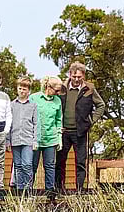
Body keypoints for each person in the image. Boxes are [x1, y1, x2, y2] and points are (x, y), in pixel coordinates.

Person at [55, 61, 106, 192]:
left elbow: (101, 105)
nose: (76, 79)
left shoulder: (89, 88)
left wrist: (91, 120)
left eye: (79, 77)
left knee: (81, 162)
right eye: (74, 76)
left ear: (83, 75)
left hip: (81, 131)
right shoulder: (61, 88)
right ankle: (59, 189)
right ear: (70, 75)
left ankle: (79, 189)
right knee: (60, 161)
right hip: (63, 131)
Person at [31, 77, 64, 195]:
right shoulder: (34, 98)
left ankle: (50, 193)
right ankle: (28, 192)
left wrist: (59, 138)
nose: (58, 93)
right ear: (48, 87)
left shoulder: (57, 101)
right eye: (56, 90)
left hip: (51, 139)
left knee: (50, 166)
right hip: (35, 139)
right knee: (32, 166)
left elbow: (58, 120)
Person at [8, 76, 37, 190]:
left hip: (28, 140)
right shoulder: (11, 105)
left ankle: (28, 188)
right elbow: (8, 124)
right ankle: (20, 190)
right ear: (17, 89)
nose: (22, 91)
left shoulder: (33, 105)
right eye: (20, 88)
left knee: (27, 165)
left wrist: (36, 140)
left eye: (24, 89)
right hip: (15, 139)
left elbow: (36, 124)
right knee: (18, 166)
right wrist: (7, 140)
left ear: (28, 91)